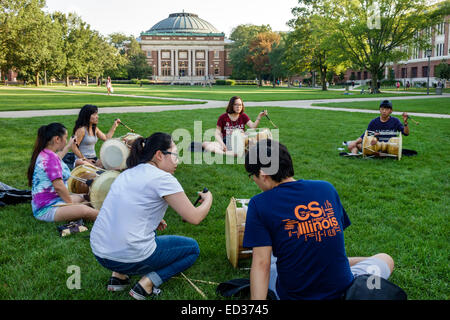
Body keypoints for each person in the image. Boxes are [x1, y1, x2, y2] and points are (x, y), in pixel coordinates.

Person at [243, 139, 395, 299]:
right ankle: (340, 265)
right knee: (386, 259)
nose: (254, 180)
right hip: (344, 291)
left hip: (295, 295)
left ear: (262, 173)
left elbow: (261, 264)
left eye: (252, 175)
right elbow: (328, 240)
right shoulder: (326, 188)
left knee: (272, 261)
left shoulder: (259, 204)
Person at [90, 132, 213, 300]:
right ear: (159, 155)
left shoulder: (127, 173)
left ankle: (118, 277)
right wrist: (208, 199)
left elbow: (124, 207)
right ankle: (147, 283)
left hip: (99, 251)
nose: (178, 161)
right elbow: (194, 217)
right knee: (192, 249)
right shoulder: (163, 178)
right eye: (175, 155)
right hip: (127, 255)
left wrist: (154, 218)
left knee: (148, 233)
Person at [27, 123, 99, 223]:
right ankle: (110, 219)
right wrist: (71, 206)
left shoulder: (46, 153)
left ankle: (90, 209)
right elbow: (59, 187)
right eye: (65, 138)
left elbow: (58, 157)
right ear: (57, 139)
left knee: (85, 197)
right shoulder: (50, 158)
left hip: (55, 200)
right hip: (47, 209)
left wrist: (69, 145)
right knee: (84, 210)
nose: (66, 141)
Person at [202, 96, 268, 155]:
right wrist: (222, 144)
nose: (238, 107)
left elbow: (253, 127)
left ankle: (232, 152)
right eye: (235, 105)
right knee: (205, 144)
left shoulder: (243, 116)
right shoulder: (223, 117)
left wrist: (259, 116)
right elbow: (217, 133)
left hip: (241, 140)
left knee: (253, 137)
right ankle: (228, 153)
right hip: (227, 141)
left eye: (240, 105)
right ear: (231, 105)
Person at [345, 100, 410, 154]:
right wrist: (355, 142)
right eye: (382, 109)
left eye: (387, 109)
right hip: (375, 146)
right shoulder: (374, 122)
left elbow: (406, 133)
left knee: (356, 144)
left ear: (391, 111)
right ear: (379, 110)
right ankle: (354, 154)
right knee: (355, 144)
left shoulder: (395, 121)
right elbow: (365, 135)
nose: (384, 111)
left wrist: (405, 123)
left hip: (390, 147)